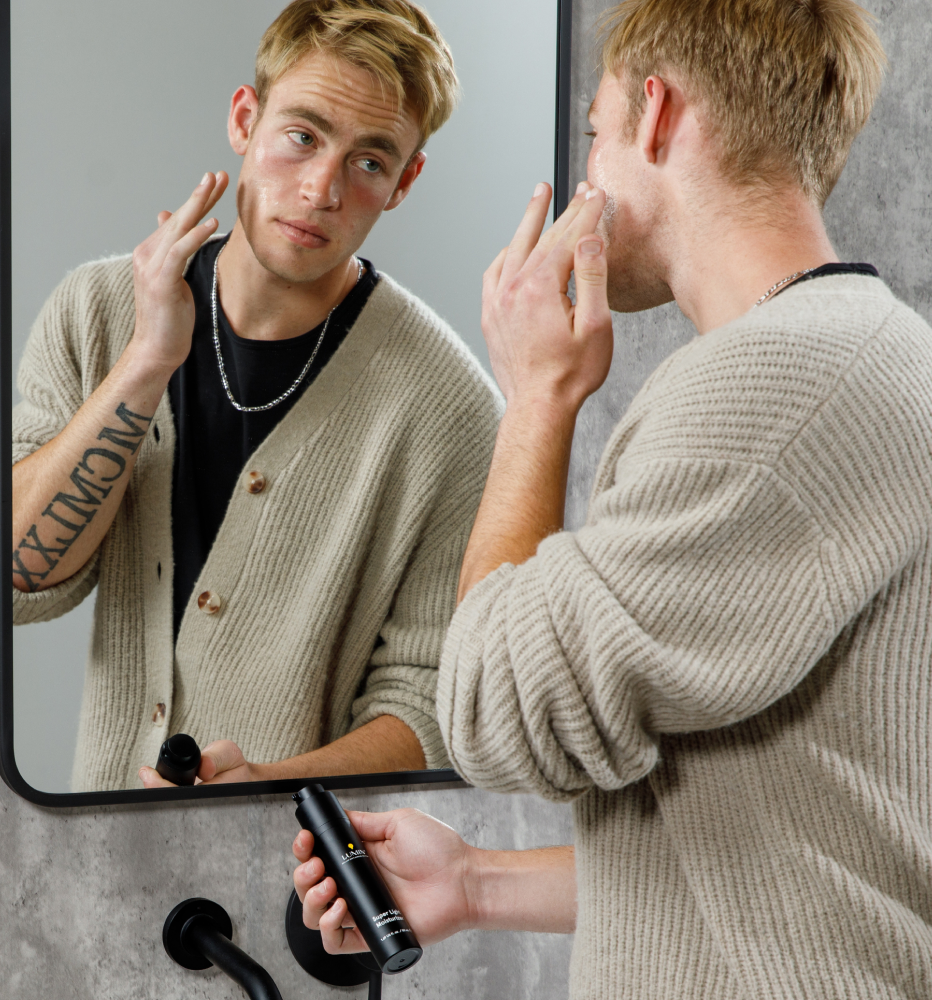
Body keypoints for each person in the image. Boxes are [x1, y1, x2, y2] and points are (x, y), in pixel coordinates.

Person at [293, 1, 932, 996]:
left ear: (656, 115)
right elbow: (805, 840)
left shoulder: (776, 386)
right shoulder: (868, 360)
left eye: (594, 134)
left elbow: (492, 708)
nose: (584, 176)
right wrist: (472, 881)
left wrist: (537, 394)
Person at [11, 0, 501, 793]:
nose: (321, 188)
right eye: (302, 136)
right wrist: (144, 365)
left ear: (405, 181)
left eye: (369, 161)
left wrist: (266, 789)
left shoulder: (451, 412)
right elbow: (13, 573)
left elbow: (433, 707)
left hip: (303, 879)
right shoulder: (98, 310)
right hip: (91, 865)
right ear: (246, 119)